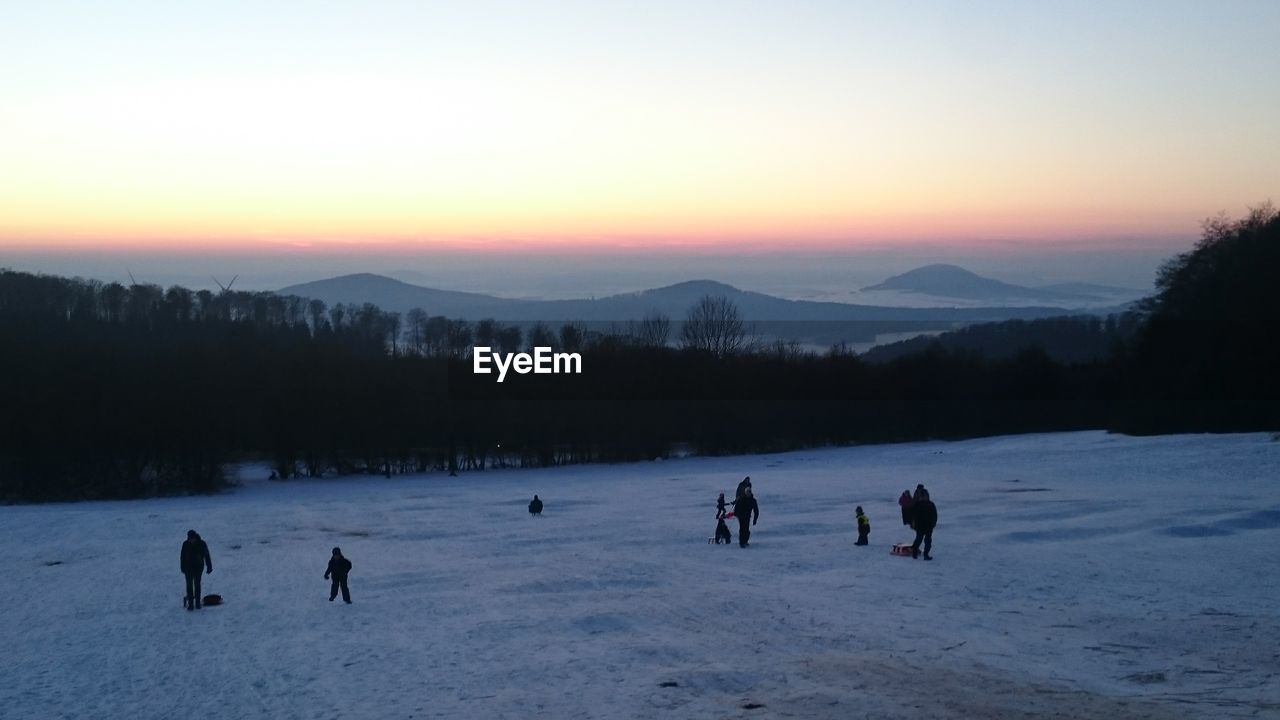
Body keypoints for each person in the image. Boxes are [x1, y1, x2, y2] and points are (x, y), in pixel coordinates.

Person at [180, 530, 213, 610]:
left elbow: (207, 555)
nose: (191, 540)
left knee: (197, 584)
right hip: (188, 568)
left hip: (198, 567)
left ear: (195, 537)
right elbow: (182, 557)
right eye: (189, 539)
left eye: (192, 539)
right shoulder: (185, 544)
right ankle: (190, 604)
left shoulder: (202, 544)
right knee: (189, 585)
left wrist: (209, 566)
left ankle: (197, 603)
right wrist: (182, 567)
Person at [910, 489, 937, 560]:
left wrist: (933, 523)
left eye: (926, 495)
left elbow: (934, 515)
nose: (925, 497)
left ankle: (926, 555)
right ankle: (914, 553)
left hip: (929, 526)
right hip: (920, 526)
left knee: (928, 541)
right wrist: (913, 524)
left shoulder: (931, 504)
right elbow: (913, 516)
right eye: (924, 495)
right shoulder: (917, 505)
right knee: (918, 540)